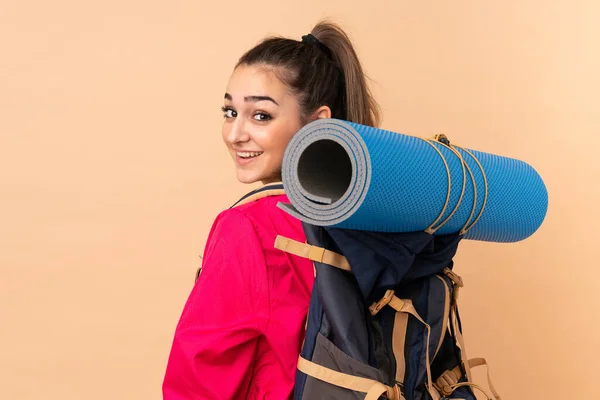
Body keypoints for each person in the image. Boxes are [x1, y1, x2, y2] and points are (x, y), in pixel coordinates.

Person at [162, 19, 381, 400]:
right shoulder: (374, 214)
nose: (235, 134)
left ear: (316, 124)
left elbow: (198, 382)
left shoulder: (249, 228)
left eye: (260, 115)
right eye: (230, 112)